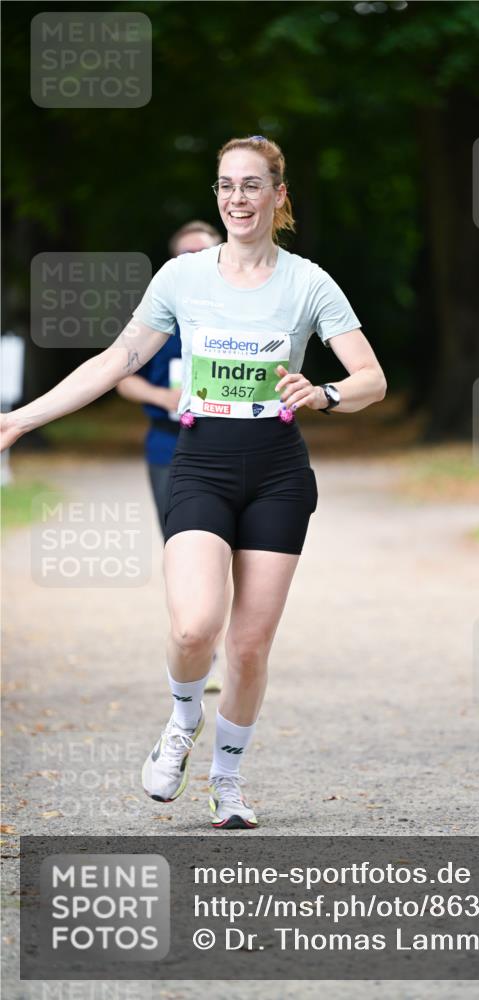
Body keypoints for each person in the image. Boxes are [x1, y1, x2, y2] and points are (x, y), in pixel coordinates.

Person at [0, 135, 386, 828]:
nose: (236, 198)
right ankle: (182, 722)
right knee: (194, 628)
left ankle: (228, 779)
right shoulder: (182, 278)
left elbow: (371, 380)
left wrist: (323, 393)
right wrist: (21, 419)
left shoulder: (308, 282)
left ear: (277, 195)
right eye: (225, 185)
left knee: (247, 645)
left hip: (277, 476)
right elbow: (116, 359)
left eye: (250, 185)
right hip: (200, 466)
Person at [116, 220, 225, 693]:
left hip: (228, 446)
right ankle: (198, 647)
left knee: (229, 553)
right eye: (183, 255)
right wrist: (166, 399)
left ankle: (224, 648)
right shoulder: (158, 315)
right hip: (168, 446)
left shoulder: (242, 311)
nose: (192, 262)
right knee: (183, 552)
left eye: (201, 252)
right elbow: (124, 376)